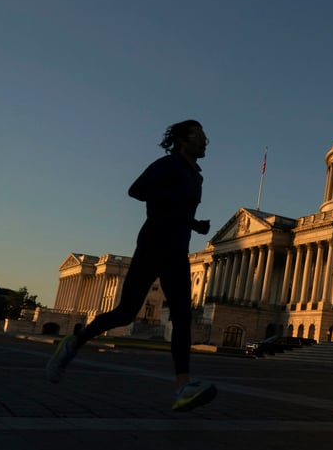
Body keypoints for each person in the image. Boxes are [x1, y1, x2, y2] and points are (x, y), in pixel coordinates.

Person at [47, 120, 216, 411]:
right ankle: (74, 343)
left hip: (178, 249)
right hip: (153, 244)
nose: (206, 141)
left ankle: (182, 386)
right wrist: (172, 204)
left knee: (183, 317)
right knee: (125, 313)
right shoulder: (167, 165)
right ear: (183, 139)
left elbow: (180, 211)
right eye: (200, 136)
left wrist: (195, 223)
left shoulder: (196, 175)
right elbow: (136, 190)